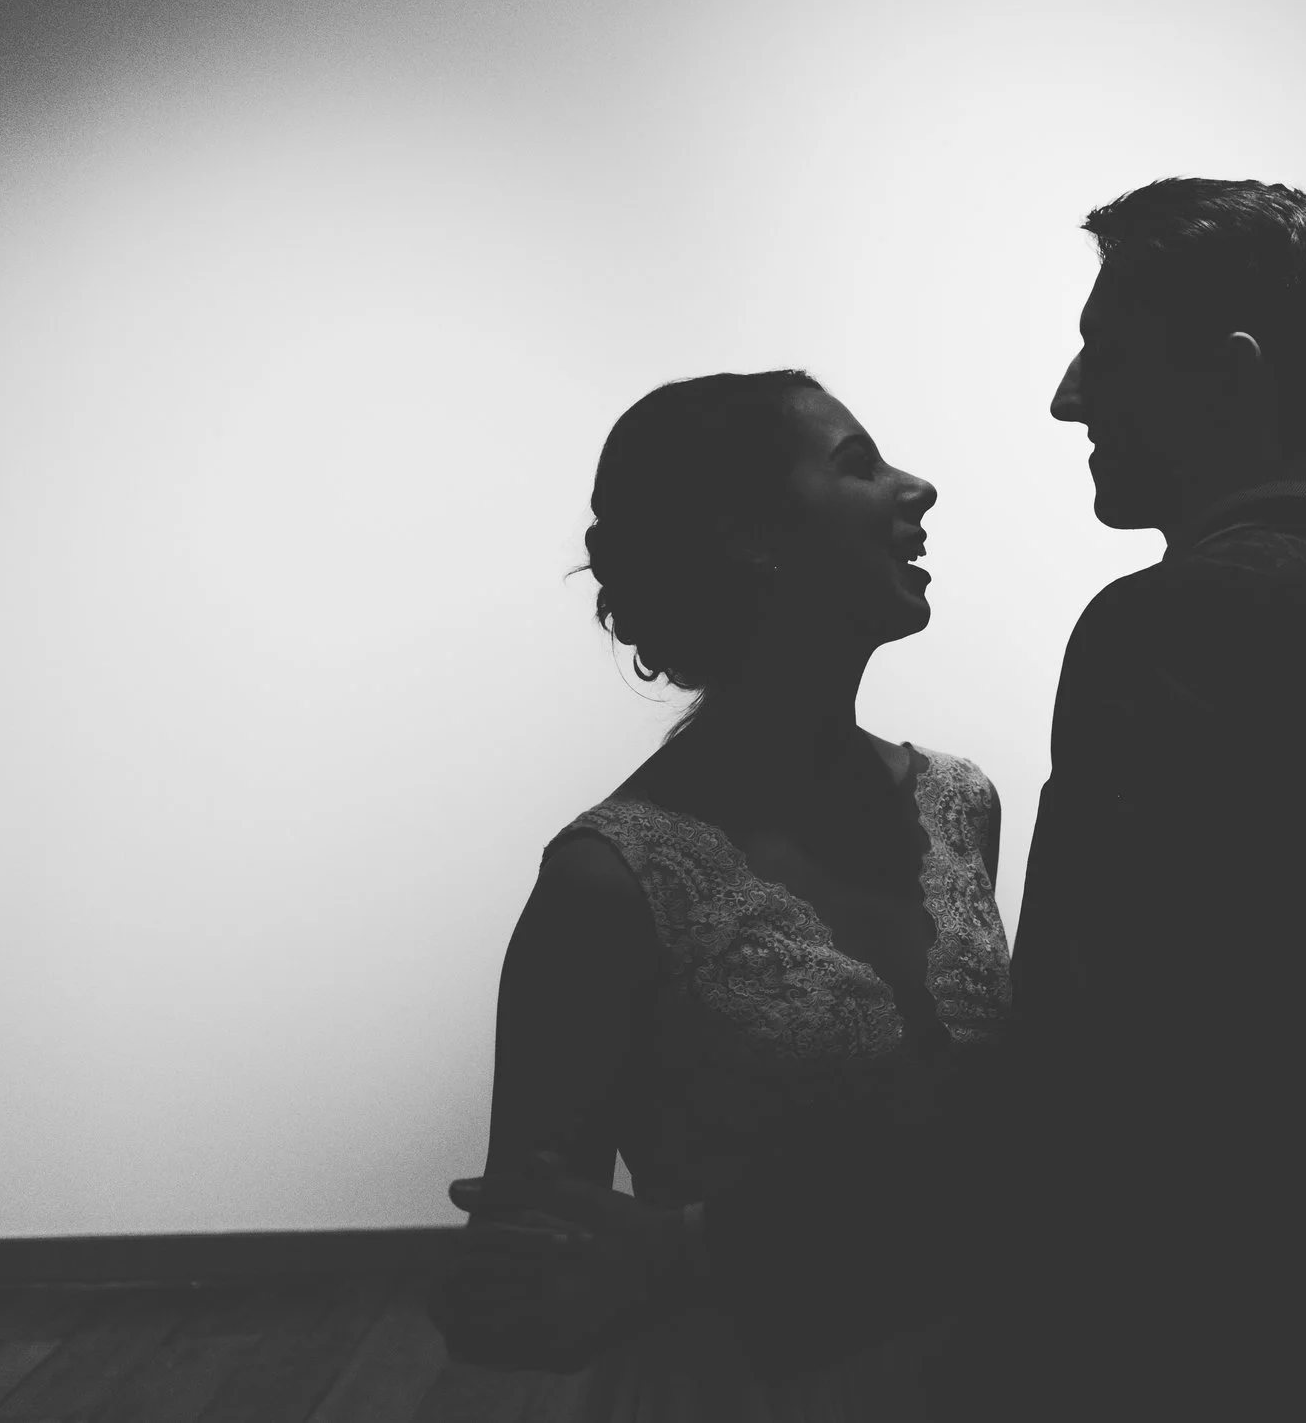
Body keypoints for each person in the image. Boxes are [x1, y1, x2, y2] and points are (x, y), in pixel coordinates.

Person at [449, 179, 1306, 1421]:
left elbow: (1094, 1078)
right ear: (750, 537)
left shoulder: (1150, 644)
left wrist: (694, 1248)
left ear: (1229, 375)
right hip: (1276, 1331)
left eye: (1107, 352)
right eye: (857, 463)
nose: (1067, 395)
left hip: (1153, 1345)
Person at [429, 369, 1015, 1421]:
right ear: (753, 535)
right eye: (859, 463)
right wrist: (535, 1278)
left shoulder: (959, 803)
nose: (916, 486)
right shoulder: (613, 879)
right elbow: (522, 1283)